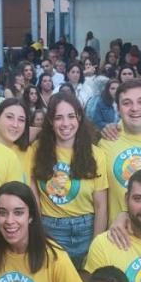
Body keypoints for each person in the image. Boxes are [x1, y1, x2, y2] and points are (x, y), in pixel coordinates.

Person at [29, 92, 107, 266]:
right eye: (58, 118)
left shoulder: (96, 154)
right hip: (50, 228)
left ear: (79, 117)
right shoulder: (36, 149)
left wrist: (97, 245)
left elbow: (101, 205)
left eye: (71, 116)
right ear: (50, 121)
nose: (65, 124)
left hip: (87, 227)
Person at [98, 79, 141, 221]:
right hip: (116, 234)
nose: (134, 108)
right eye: (127, 103)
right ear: (117, 108)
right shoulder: (106, 142)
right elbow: (100, 199)